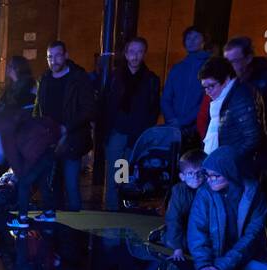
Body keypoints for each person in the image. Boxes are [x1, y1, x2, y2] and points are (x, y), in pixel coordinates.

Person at [99, 36, 160, 210]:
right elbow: (105, 104)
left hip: (137, 133)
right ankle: (113, 211)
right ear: (126, 54)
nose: (135, 56)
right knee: (116, 175)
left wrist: (145, 131)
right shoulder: (114, 77)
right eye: (132, 51)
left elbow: (153, 108)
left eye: (139, 51)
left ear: (144, 54)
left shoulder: (150, 79)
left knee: (128, 176)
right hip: (117, 132)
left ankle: (124, 211)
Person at [37, 41, 96, 211]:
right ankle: (55, 225)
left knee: (71, 186)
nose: (53, 60)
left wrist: (67, 128)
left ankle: (74, 230)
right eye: (49, 57)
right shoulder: (45, 78)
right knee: (51, 186)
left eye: (57, 55)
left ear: (66, 55)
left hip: (72, 139)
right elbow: (38, 108)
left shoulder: (78, 77)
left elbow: (89, 109)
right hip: (49, 140)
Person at [197, 56, 266, 172]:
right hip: (224, 165)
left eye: (212, 86)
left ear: (227, 78)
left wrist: (229, 160)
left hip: (237, 167)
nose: (208, 91)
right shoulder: (223, 98)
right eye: (205, 87)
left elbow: (252, 137)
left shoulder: (240, 97)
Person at [162, 27, 210, 145]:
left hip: (197, 129)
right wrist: (171, 119)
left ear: (203, 41)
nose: (191, 41)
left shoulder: (210, 66)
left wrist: (182, 121)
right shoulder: (177, 68)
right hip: (174, 128)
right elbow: (166, 97)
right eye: (188, 37)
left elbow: (207, 99)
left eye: (196, 37)